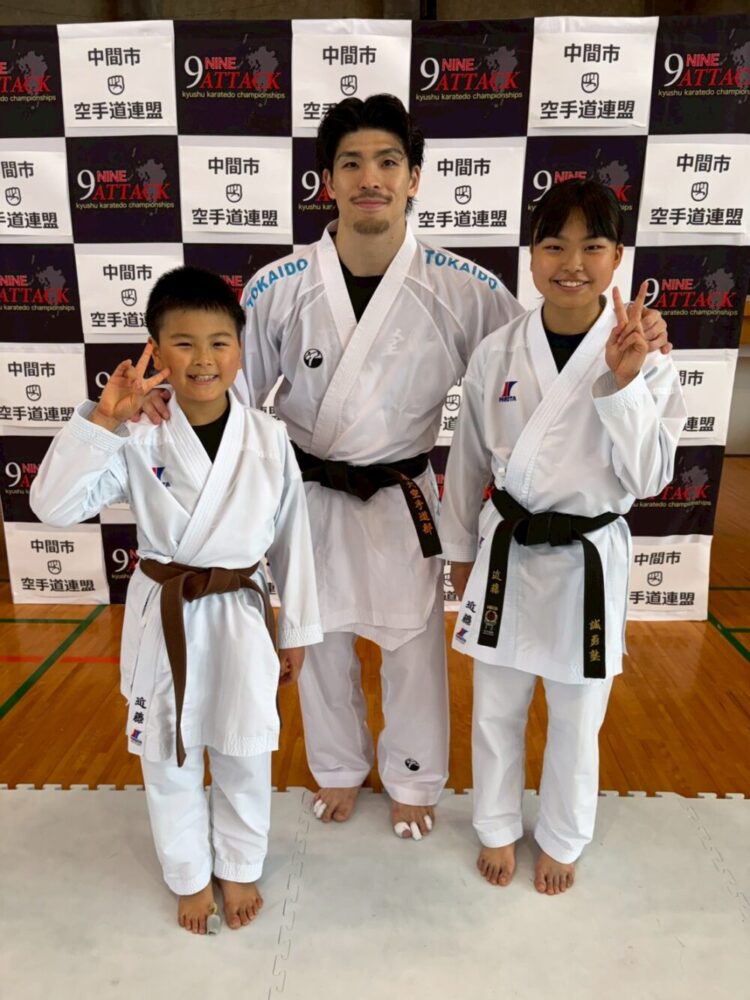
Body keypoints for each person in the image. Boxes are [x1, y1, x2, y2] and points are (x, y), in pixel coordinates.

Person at [142, 95, 669, 841]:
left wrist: (637, 331)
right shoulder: (277, 287)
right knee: (319, 639)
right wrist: (163, 404)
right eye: (352, 163)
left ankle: (415, 776)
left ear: (414, 177)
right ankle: (336, 767)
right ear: (327, 180)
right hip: (310, 489)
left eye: (388, 162)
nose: (371, 178)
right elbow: (228, 390)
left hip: (404, 495)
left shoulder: (462, 288)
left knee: (413, 647)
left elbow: (545, 345)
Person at [30, 266, 322, 933]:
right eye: (183, 344)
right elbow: (52, 507)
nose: (203, 359)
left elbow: (292, 538)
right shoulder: (136, 433)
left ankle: (240, 865)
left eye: (220, 342)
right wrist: (104, 420)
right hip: (167, 608)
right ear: (155, 351)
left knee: (246, 748)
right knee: (166, 753)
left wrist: (297, 629)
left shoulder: (268, 436)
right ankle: (189, 875)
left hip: (240, 612)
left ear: (240, 351)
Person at [440, 179, 686, 894]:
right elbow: (467, 461)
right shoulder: (498, 352)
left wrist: (627, 383)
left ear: (617, 259)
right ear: (532, 255)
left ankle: (564, 835)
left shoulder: (647, 357)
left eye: (592, 246)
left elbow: (649, 478)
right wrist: (460, 552)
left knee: (579, 713)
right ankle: (495, 824)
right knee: (496, 703)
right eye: (554, 245)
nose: (572, 263)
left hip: (586, 559)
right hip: (508, 552)